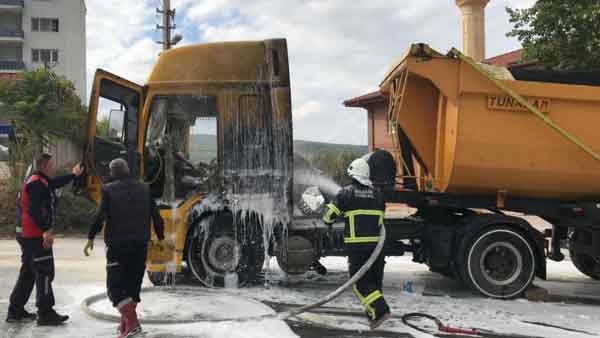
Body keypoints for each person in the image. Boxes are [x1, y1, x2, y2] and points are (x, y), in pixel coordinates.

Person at [84, 158, 165, 338]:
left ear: (113, 173)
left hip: (118, 246)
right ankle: (126, 326)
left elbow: (100, 216)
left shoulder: (108, 190)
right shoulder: (145, 189)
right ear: (128, 170)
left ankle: (134, 324)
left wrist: (90, 236)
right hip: (140, 245)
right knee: (131, 287)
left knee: (115, 289)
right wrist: (160, 237)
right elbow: (156, 216)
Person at [322, 150, 396, 330]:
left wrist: (330, 218)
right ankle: (373, 314)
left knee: (359, 284)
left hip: (358, 247)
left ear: (353, 174)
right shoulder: (378, 195)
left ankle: (381, 311)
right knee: (374, 282)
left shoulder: (346, 193)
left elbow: (329, 216)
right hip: (377, 248)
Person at [7, 153, 83, 325]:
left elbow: (55, 183)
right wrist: (45, 231)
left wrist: (73, 175)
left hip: (28, 235)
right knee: (45, 271)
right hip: (34, 236)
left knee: (28, 272)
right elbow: (34, 210)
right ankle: (45, 313)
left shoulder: (40, 181)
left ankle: (15, 310)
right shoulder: (36, 183)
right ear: (44, 166)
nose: (54, 167)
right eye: (52, 165)